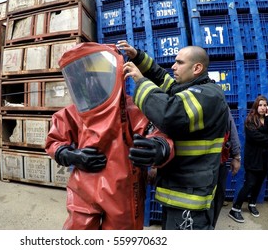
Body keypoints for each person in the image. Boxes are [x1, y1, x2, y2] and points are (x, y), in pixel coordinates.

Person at [45, 42, 174, 230]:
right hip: (84, 189)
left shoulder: (132, 108)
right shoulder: (73, 113)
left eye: (97, 77)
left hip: (124, 191)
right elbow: (54, 141)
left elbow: (159, 132)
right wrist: (71, 155)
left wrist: (159, 147)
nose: (91, 83)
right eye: (86, 78)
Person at [119, 41, 230, 230]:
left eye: (179, 62)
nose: (173, 66)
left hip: (190, 199)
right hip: (181, 190)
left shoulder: (208, 95)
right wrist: (138, 57)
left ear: (197, 68)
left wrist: (140, 82)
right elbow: (164, 80)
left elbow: (169, 114)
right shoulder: (192, 88)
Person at [228, 95, 268, 223]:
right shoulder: (250, 121)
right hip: (253, 159)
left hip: (266, 159)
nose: (262, 108)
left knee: (259, 183)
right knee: (250, 183)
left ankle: (252, 204)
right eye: (260, 105)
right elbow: (257, 138)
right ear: (256, 107)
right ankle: (235, 209)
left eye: (265, 105)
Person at [212, 110, 241, 228]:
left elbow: (231, 129)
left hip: (219, 163)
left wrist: (236, 156)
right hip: (195, 165)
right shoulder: (184, 100)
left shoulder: (220, 103)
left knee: (218, 196)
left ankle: (210, 227)